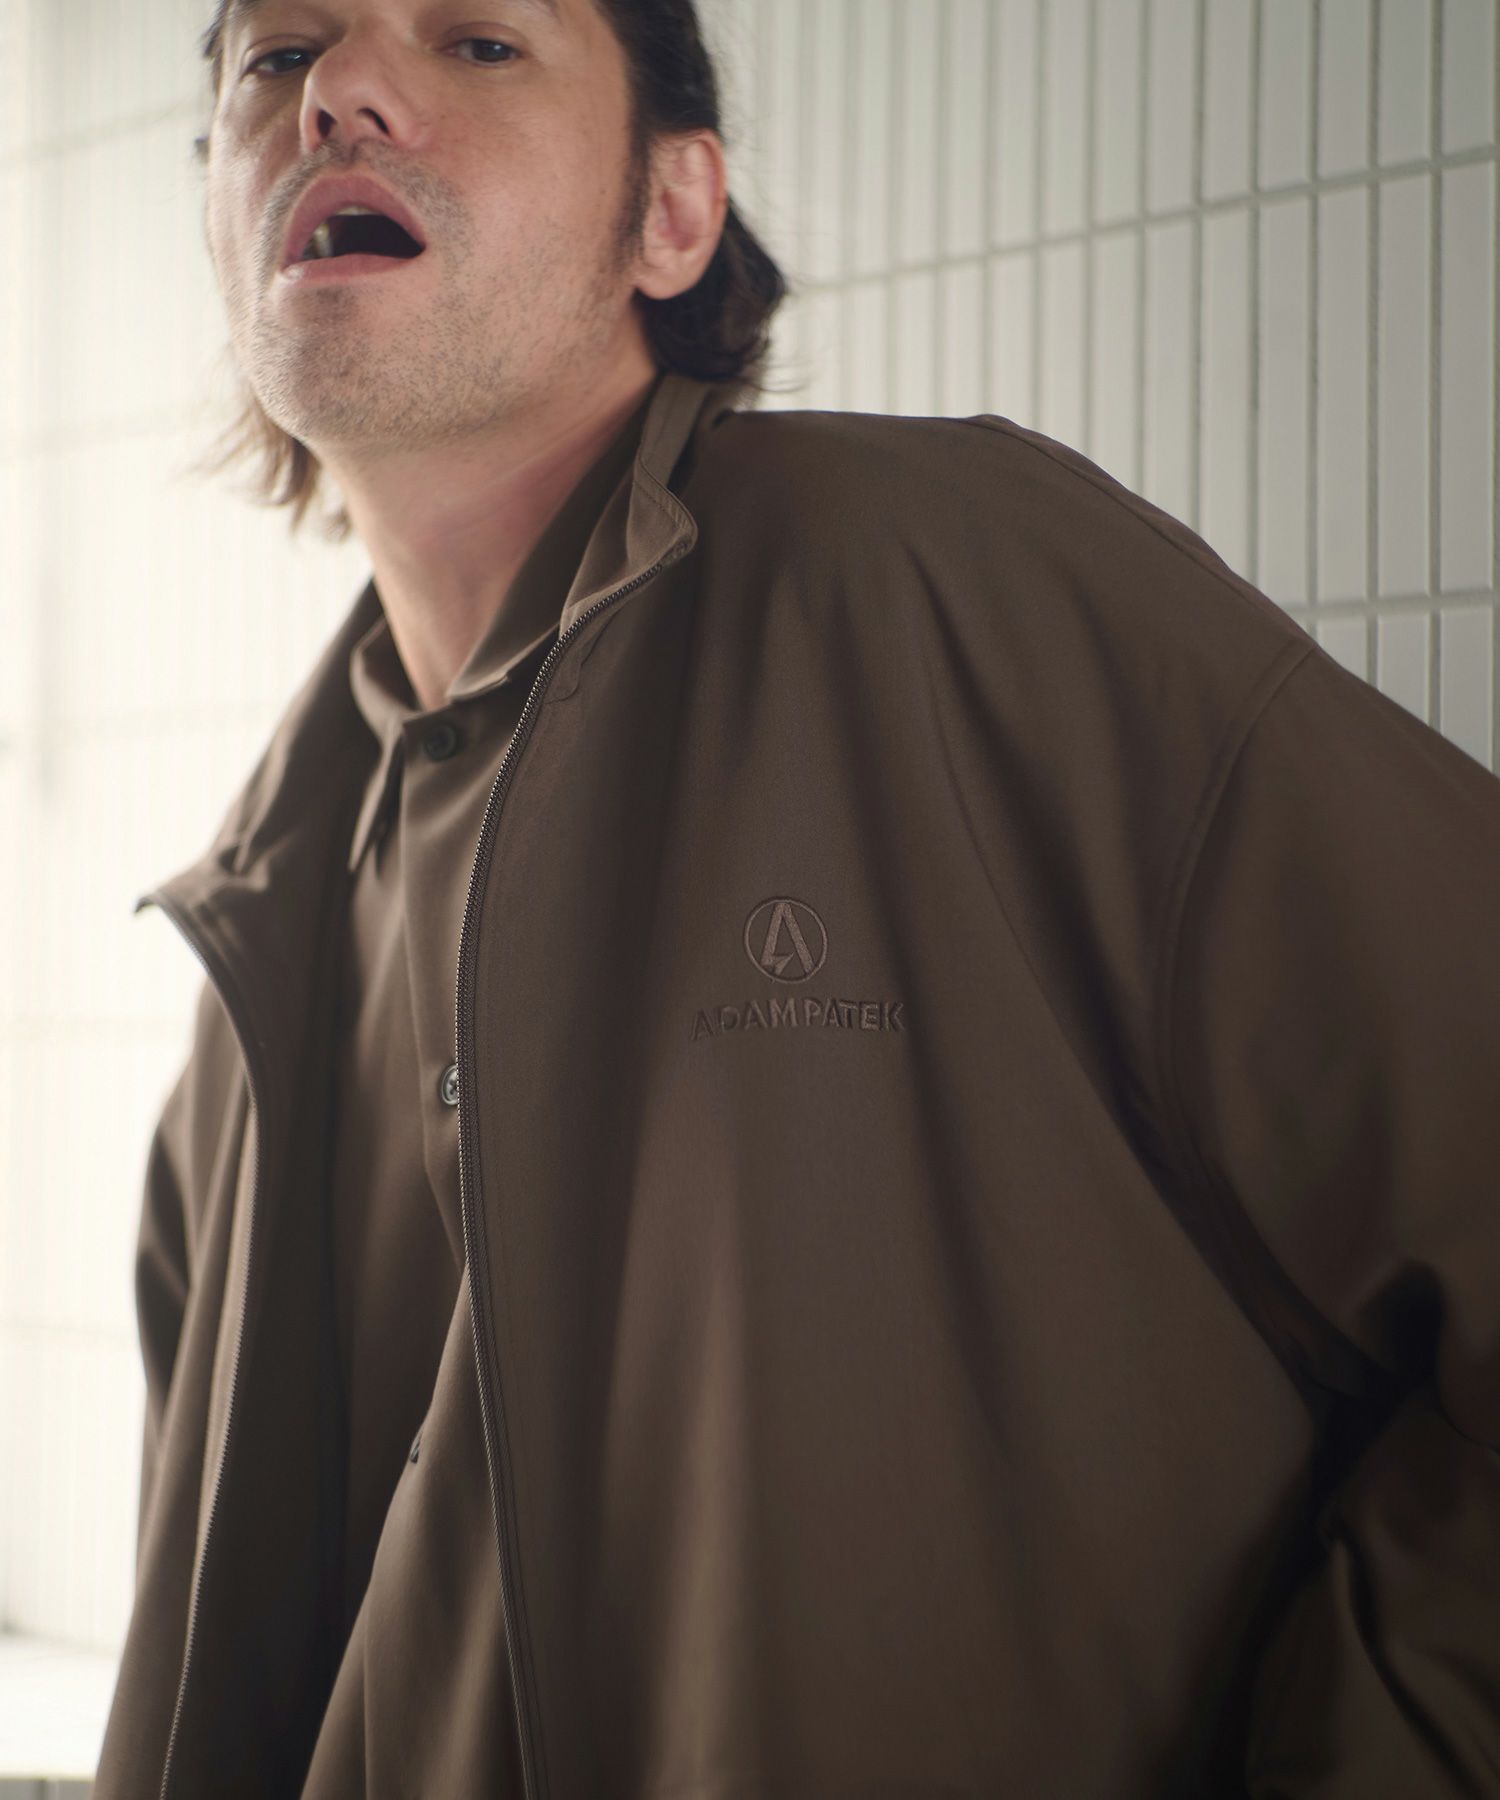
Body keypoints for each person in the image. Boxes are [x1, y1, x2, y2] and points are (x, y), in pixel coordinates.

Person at [93, 0, 1500, 1795]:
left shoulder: (946, 594)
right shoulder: (255, 934)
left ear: (673, 212)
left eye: (478, 40)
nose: (343, 92)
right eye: (279, 54)